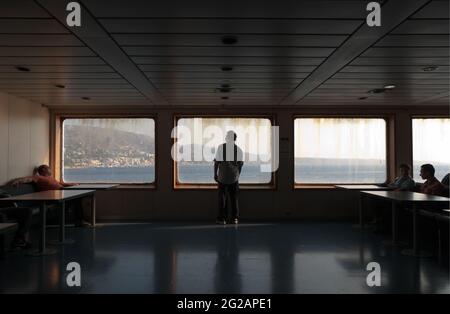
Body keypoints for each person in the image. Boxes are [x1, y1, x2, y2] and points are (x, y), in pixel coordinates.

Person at [8, 165, 88, 226]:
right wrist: (17, 181)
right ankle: (79, 221)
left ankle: (77, 220)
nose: (51, 169)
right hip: (52, 197)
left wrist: (73, 184)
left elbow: (60, 184)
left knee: (78, 196)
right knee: (77, 198)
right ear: (43, 170)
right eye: (48, 168)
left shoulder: (51, 178)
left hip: (61, 193)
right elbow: (27, 179)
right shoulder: (38, 177)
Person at [214, 131, 244, 225]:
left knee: (222, 198)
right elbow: (240, 165)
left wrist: (215, 174)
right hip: (233, 177)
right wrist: (237, 175)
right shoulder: (239, 150)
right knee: (234, 198)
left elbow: (217, 163)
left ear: (227, 138)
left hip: (222, 176)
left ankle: (222, 219)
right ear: (235, 139)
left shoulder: (221, 148)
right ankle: (235, 218)